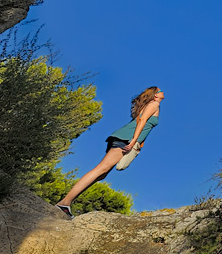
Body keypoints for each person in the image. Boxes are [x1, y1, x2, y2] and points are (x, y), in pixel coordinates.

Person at [55, 86, 165, 218]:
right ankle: (64, 203)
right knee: (100, 169)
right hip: (126, 139)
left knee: (102, 174)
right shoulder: (154, 104)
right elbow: (141, 121)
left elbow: (144, 127)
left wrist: (139, 143)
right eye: (160, 91)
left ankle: (66, 203)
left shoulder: (149, 105)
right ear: (155, 95)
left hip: (125, 138)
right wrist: (133, 140)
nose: (163, 92)